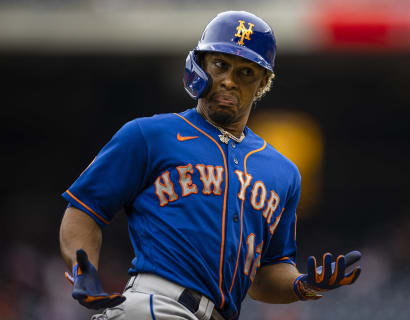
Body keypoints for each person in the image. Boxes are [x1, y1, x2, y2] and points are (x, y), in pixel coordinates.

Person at [59, 11, 362, 320]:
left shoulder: (283, 173)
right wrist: (84, 268)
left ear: (263, 83)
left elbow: (266, 276)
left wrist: (305, 286)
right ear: (200, 64)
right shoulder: (148, 135)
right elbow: (84, 210)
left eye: (246, 72)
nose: (229, 80)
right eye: (221, 65)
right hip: (156, 305)